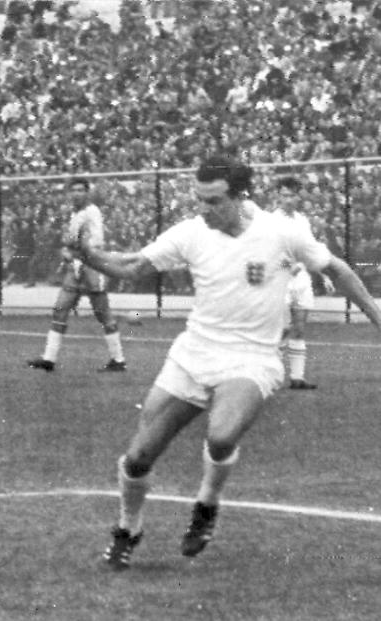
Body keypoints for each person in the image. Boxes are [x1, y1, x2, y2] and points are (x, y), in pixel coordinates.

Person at [75, 155, 381, 570]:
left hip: (251, 358)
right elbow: (133, 266)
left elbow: (339, 270)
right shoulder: (191, 232)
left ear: (241, 197)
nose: (205, 209)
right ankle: (129, 528)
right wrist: (89, 256)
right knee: (139, 455)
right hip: (193, 354)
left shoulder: (282, 233)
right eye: (199, 199)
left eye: (214, 200)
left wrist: (377, 318)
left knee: (221, 436)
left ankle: (207, 504)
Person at [27, 178, 126, 373]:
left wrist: (72, 248)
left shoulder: (92, 212)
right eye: (73, 191)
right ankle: (49, 358)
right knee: (60, 310)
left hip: (92, 266)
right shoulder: (76, 213)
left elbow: (95, 242)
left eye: (81, 190)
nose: (76, 194)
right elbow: (69, 240)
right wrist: (67, 249)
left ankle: (119, 359)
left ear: (87, 193)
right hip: (77, 266)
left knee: (103, 313)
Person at [271, 176, 335, 389]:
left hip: (301, 278)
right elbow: (267, 251)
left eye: (292, 195)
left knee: (299, 327)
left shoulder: (302, 220)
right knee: (282, 329)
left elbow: (310, 251)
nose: (288, 199)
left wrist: (323, 275)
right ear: (278, 196)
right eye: (284, 195)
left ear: (298, 197)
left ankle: (297, 378)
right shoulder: (271, 221)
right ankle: (271, 375)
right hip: (280, 278)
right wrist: (287, 266)